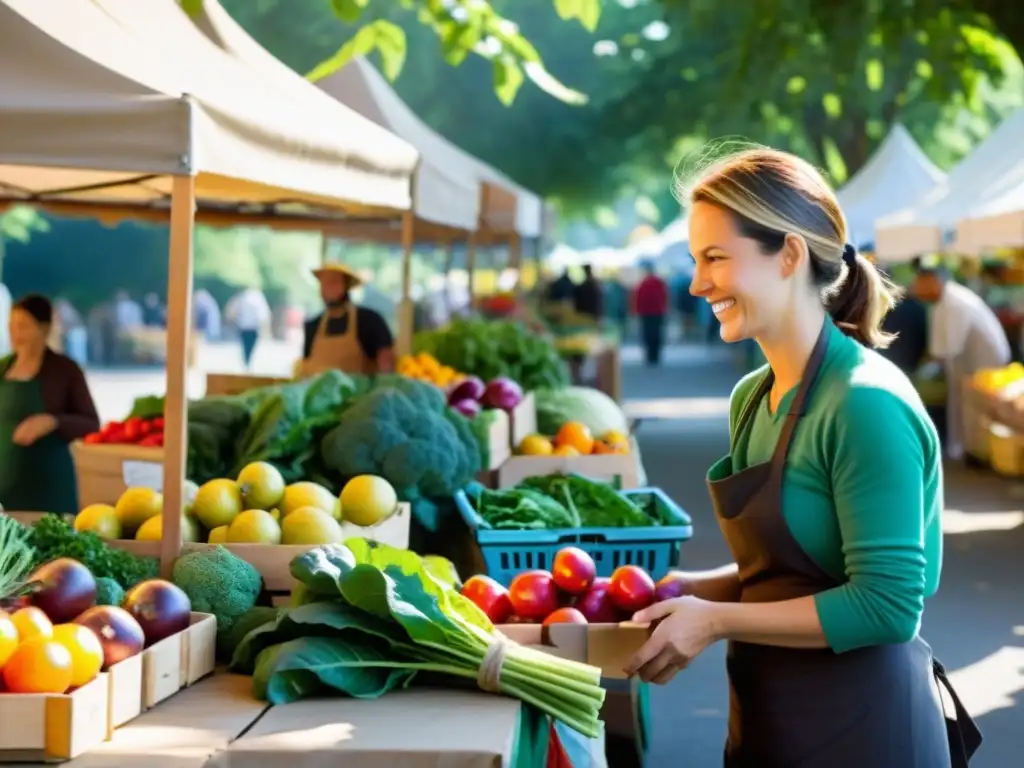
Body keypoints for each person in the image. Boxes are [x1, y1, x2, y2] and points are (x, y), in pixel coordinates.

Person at [624, 148, 980, 767]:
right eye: (694, 260)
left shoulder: (865, 406)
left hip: (866, 732)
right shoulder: (752, 396)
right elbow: (788, 572)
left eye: (715, 258)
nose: (696, 283)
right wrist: (685, 592)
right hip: (770, 723)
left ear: (788, 255)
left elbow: (887, 606)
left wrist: (713, 621)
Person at [0, 295, 100, 514]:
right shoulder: (3, 367)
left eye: (23, 326)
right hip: (6, 485)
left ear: (44, 329)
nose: (15, 334)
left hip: (50, 488)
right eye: (11, 326)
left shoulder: (65, 370)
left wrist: (53, 421)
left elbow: (91, 423)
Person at [911, 260, 1011, 462]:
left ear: (932, 281)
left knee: (977, 414)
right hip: (966, 363)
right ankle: (967, 451)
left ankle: (977, 455)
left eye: (919, 282)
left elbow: (947, 349)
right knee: (964, 409)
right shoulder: (943, 301)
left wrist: (919, 375)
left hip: (984, 364)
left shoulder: (955, 302)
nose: (915, 288)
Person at [298, 263, 394, 377]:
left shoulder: (369, 321)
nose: (327, 288)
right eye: (323, 284)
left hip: (359, 394)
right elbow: (305, 369)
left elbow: (386, 363)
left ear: (346, 286)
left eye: (333, 282)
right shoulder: (313, 326)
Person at [225, 287, 271, 370]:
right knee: (250, 345)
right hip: (253, 326)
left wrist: (233, 318)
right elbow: (264, 313)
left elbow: (233, 309)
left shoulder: (243, 297)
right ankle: (248, 361)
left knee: (245, 345)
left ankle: (247, 361)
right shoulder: (258, 298)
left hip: (245, 326)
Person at [633, 261, 669, 365]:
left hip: (646, 313)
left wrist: (637, 311)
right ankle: (656, 355)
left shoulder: (642, 284)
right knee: (657, 334)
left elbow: (638, 299)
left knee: (647, 334)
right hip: (658, 312)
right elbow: (665, 297)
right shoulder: (660, 283)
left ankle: (649, 355)